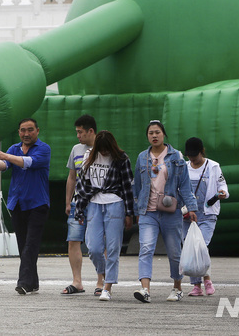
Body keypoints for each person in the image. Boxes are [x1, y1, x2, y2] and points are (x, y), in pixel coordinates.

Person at [133, 120, 197, 303]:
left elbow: (185, 185)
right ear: (147, 136)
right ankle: (145, 289)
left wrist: (191, 208)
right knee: (145, 247)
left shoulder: (176, 157)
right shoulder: (141, 158)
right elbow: (137, 185)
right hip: (148, 211)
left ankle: (177, 288)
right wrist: (137, 209)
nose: (154, 136)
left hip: (171, 211)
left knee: (174, 252)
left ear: (164, 135)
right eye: (151, 133)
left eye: (157, 132)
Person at [0, 118, 51, 295]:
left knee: (31, 245)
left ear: (37, 131)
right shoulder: (13, 149)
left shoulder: (44, 149)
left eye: (30, 130)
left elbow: (27, 162)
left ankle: (23, 282)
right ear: (19, 132)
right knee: (24, 246)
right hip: (17, 203)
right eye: (23, 130)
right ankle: (33, 283)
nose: (26, 134)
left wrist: (6, 157)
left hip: (38, 204)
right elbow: (5, 164)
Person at [74, 130, 134, 301]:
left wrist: (130, 213)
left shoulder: (122, 158)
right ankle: (105, 272)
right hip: (93, 204)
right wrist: (79, 209)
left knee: (114, 247)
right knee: (93, 247)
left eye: (107, 149)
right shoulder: (88, 157)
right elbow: (81, 185)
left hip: (115, 203)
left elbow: (128, 187)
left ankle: (107, 286)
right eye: (101, 149)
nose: (104, 152)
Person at [61, 114, 104, 295]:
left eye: (80, 132)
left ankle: (101, 281)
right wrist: (68, 201)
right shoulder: (76, 149)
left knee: (99, 244)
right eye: (77, 132)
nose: (78, 136)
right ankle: (77, 281)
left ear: (91, 131)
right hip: (78, 203)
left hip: (98, 203)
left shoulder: (104, 148)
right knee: (73, 240)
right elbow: (72, 177)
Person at [182, 137, 229, 297]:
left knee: (200, 247)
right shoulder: (184, 167)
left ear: (202, 151)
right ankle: (196, 285)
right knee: (190, 249)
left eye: (195, 154)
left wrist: (222, 193)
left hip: (207, 214)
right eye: (189, 155)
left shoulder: (213, 166)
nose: (192, 158)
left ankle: (207, 281)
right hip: (187, 216)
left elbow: (222, 186)